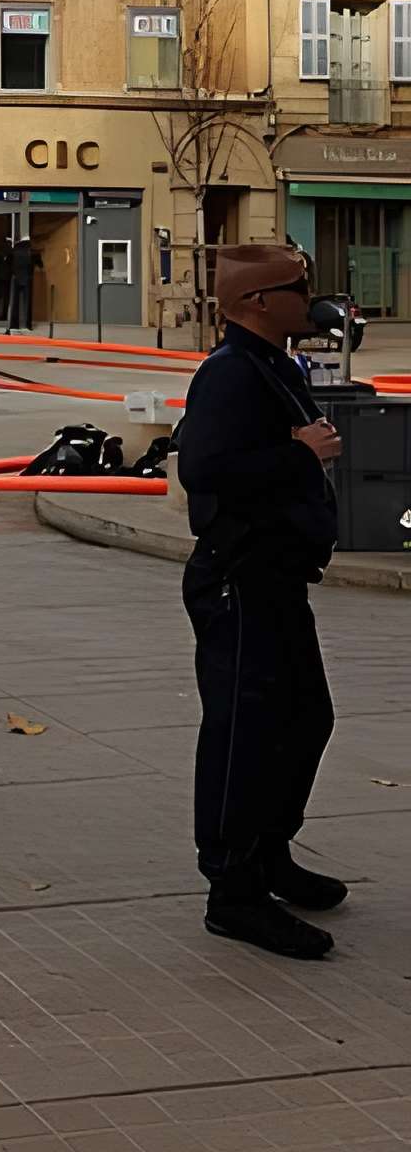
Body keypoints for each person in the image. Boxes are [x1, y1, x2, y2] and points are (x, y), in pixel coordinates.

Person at [174, 243, 344, 959]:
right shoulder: (228, 374)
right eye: (297, 289)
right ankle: (233, 890)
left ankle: (270, 852)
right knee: (245, 732)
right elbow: (205, 468)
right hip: (238, 579)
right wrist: (301, 453)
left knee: (305, 719)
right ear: (256, 303)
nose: (310, 300)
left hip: (277, 576)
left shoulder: (275, 365)